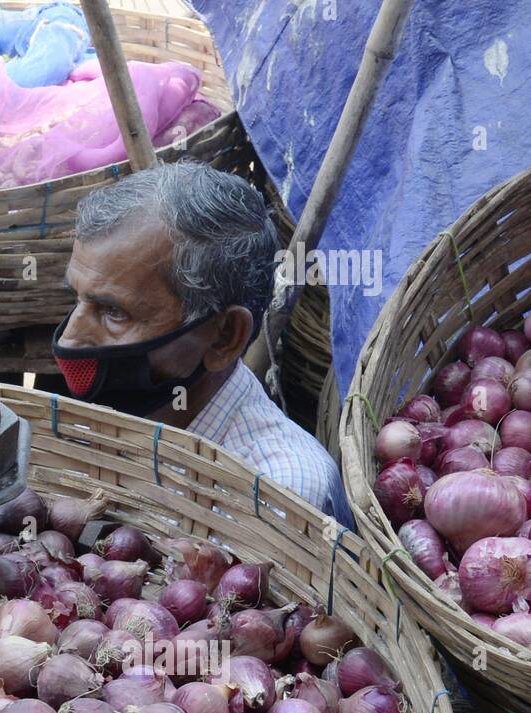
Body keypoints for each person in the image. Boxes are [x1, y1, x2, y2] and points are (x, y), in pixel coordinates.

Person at [51, 161, 353, 527]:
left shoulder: (277, 497)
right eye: (77, 298)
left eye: (114, 312)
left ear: (225, 337)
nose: (69, 339)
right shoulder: (94, 424)